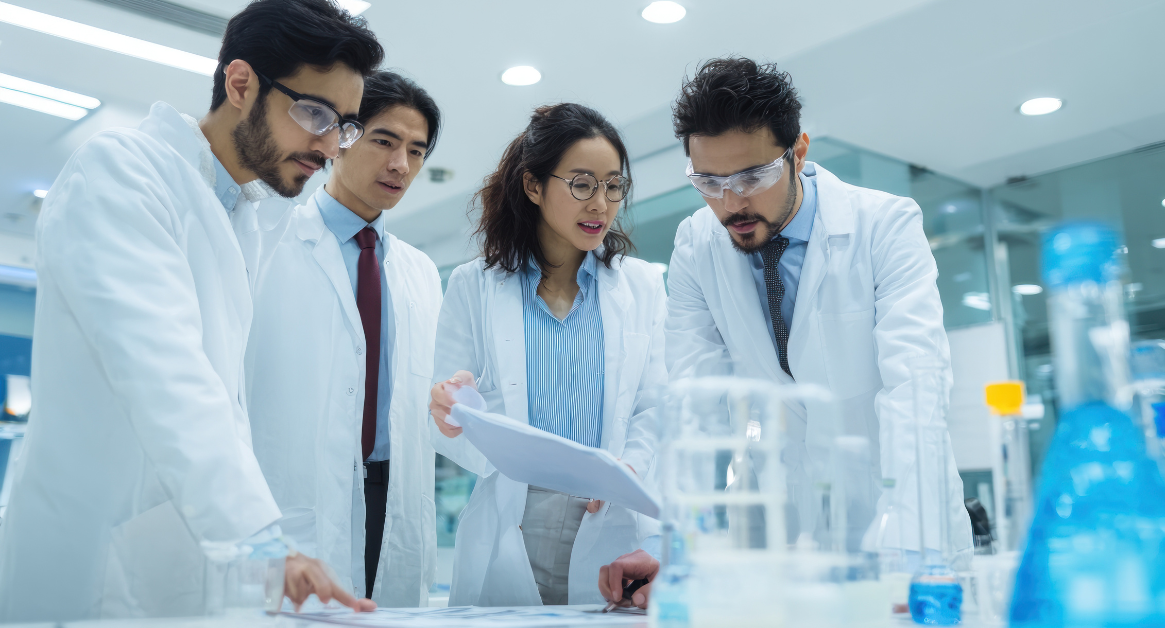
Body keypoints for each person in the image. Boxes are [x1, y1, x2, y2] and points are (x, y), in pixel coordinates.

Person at [0, 0, 383, 620]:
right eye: (313, 112)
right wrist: (261, 539)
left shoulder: (245, 215)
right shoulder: (121, 173)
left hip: (183, 556)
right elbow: (164, 371)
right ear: (240, 84)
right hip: (94, 557)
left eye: (342, 124)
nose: (329, 145)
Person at [664, 59, 973, 563]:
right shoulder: (696, 244)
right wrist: (681, 543)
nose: (731, 203)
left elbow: (915, 392)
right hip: (780, 535)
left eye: (752, 177)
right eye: (709, 183)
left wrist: (907, 540)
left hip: (896, 521)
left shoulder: (885, 226)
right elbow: (692, 402)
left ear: (798, 152)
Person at [427, 103, 666, 607]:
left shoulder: (643, 287)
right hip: (514, 521)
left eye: (613, 185)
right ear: (533, 186)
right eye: (582, 184)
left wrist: (630, 469)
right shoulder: (473, 286)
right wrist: (452, 415)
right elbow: (445, 419)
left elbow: (655, 407)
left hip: (612, 525)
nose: (600, 203)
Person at [245, 71, 442, 605]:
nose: (401, 164)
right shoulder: (269, 241)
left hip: (390, 491)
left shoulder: (419, 271)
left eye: (417, 151)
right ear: (343, 138)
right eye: (385, 141)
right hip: (298, 492)